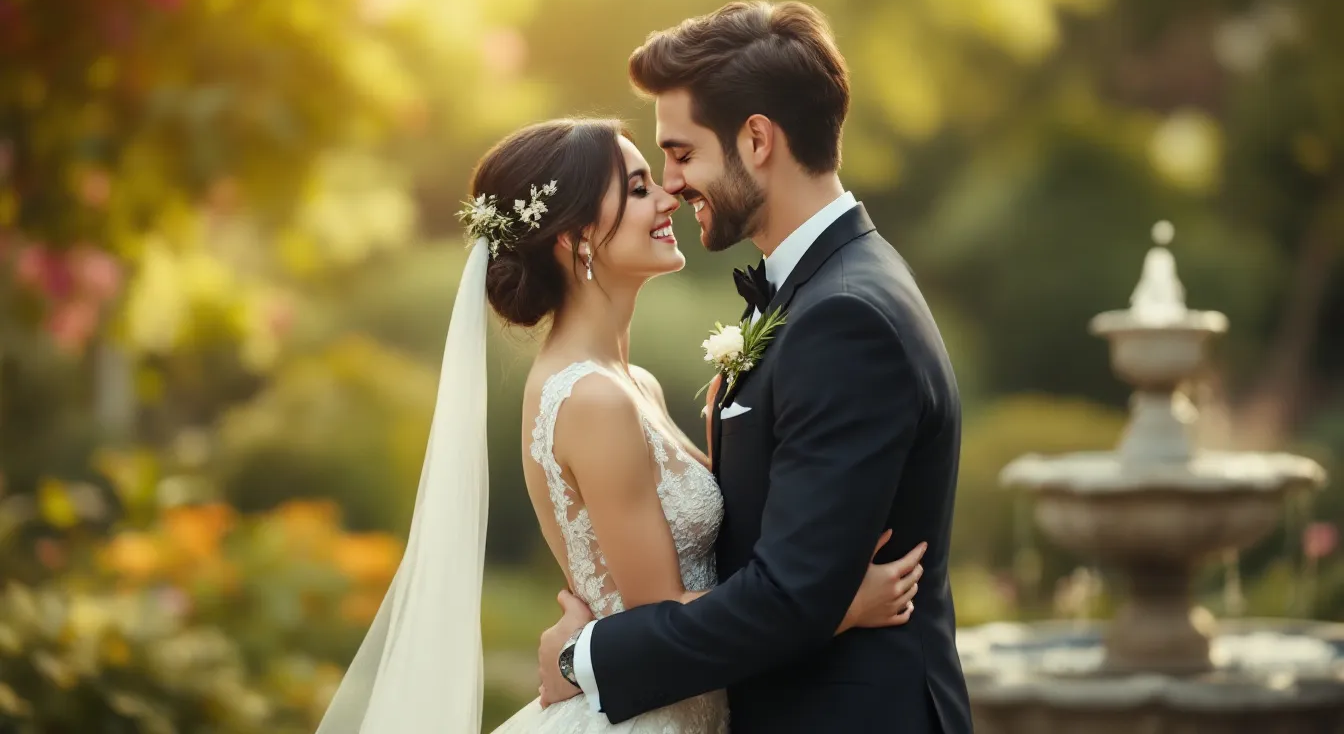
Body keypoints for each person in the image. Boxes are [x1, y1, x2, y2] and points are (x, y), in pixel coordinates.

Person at [312, 117, 926, 734]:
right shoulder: (589, 398)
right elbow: (659, 613)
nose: (668, 196)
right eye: (637, 189)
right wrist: (833, 605)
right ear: (577, 236)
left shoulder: (633, 384)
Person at [534, 0, 974, 734]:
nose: (672, 184)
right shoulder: (816, 291)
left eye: (680, 154)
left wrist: (587, 656)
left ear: (758, 140)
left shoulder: (845, 318)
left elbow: (791, 596)